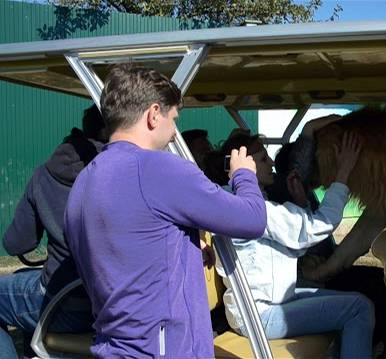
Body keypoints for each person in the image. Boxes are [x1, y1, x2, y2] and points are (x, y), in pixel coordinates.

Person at [64, 65, 267, 359]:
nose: (174, 134)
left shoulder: (84, 181)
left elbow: (124, 250)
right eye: (174, 120)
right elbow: (252, 218)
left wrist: (181, 246)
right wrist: (244, 175)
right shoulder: (159, 168)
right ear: (153, 114)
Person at [206, 129, 375, 358]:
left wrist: (302, 204)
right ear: (244, 165)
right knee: (359, 309)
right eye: (264, 159)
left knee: (354, 300)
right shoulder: (248, 207)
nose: (272, 163)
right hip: (260, 315)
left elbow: (293, 243)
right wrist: (343, 174)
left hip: (268, 303)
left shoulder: (245, 203)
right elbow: (320, 226)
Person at [0, 105, 106, 359]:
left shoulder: (45, 173)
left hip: (65, 301)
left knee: (25, 286)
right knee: (26, 280)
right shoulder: (124, 171)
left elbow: (16, 244)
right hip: (108, 302)